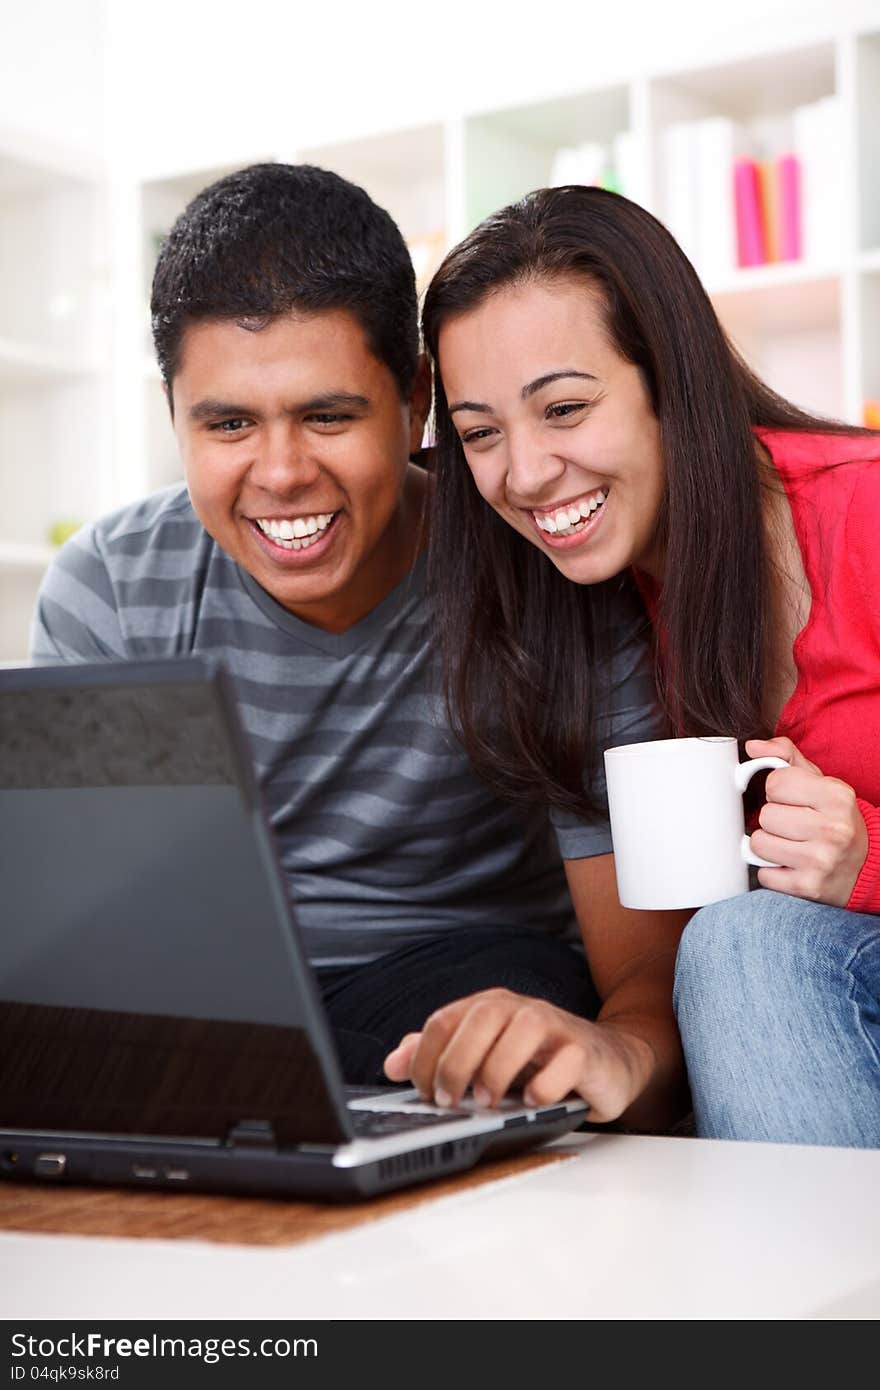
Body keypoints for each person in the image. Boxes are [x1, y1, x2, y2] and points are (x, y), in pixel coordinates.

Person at [32, 164, 690, 1131]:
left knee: (507, 999)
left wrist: (612, 1049)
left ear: (416, 400)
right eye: (227, 425)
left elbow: (645, 976)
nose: (283, 473)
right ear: (173, 415)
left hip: (458, 992)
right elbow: (87, 931)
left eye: (328, 416)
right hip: (213, 1009)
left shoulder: (542, 569)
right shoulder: (113, 590)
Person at [416, 182, 880, 1148]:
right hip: (791, 1032)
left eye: (566, 408)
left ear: (671, 381)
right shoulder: (573, 612)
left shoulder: (864, 515)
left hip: (808, 974)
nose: (527, 473)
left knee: (744, 944)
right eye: (481, 433)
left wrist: (864, 857)